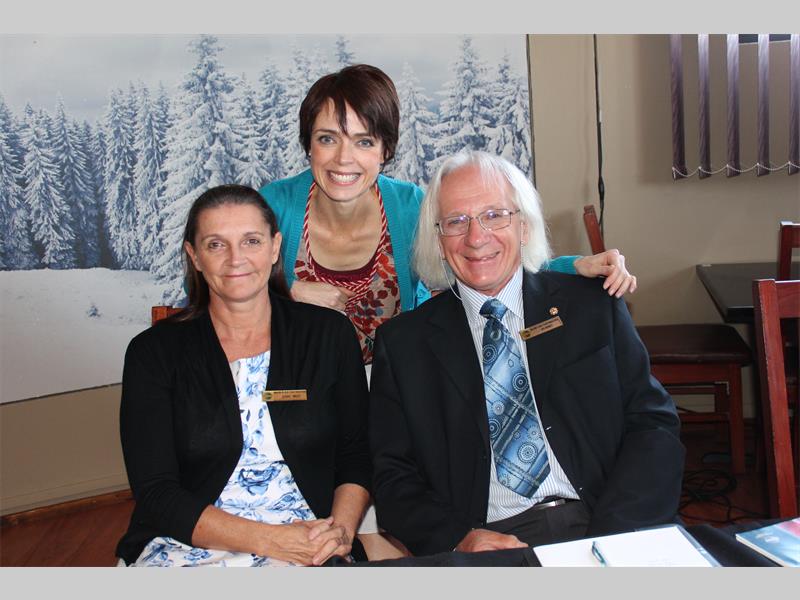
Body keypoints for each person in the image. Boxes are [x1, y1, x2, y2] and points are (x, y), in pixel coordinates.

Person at [369, 151, 685, 557]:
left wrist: (615, 535)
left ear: (523, 226)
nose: (476, 237)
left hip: (609, 517)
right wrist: (458, 538)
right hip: (490, 541)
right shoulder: (404, 345)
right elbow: (393, 478)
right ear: (439, 241)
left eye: (494, 215)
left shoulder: (591, 307)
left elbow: (653, 424)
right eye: (456, 221)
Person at [259, 64, 637, 364]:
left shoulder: (410, 206)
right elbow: (223, 292)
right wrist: (285, 291)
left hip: (392, 384)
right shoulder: (274, 206)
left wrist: (577, 267)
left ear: (385, 151)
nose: (344, 158)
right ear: (308, 144)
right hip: (303, 389)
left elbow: (483, 261)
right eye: (327, 138)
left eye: (364, 141)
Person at [116, 185, 371, 567]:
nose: (236, 259)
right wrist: (273, 541)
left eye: (251, 241)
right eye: (216, 245)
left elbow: (356, 454)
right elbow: (156, 493)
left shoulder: (328, 335)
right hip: (187, 544)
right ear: (194, 256)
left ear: (274, 247)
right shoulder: (152, 354)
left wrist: (340, 534)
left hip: (311, 540)